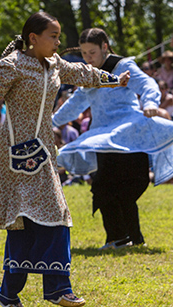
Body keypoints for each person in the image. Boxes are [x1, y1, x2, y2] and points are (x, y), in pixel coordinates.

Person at [0, 12, 130, 307]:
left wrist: (114, 80)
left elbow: (83, 73)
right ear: (33, 39)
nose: (58, 42)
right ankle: (58, 288)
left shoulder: (55, 63)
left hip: (43, 151)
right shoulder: (12, 65)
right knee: (50, 215)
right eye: (53, 36)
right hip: (14, 154)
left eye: (59, 36)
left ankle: (8, 295)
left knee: (28, 222)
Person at [53, 28, 173, 249]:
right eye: (84, 53)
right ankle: (119, 238)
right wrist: (50, 122)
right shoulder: (89, 75)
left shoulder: (122, 66)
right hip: (103, 138)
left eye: (92, 52)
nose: (88, 58)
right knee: (102, 188)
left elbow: (148, 84)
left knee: (128, 188)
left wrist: (150, 103)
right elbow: (75, 104)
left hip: (129, 135)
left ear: (104, 47)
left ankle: (130, 238)